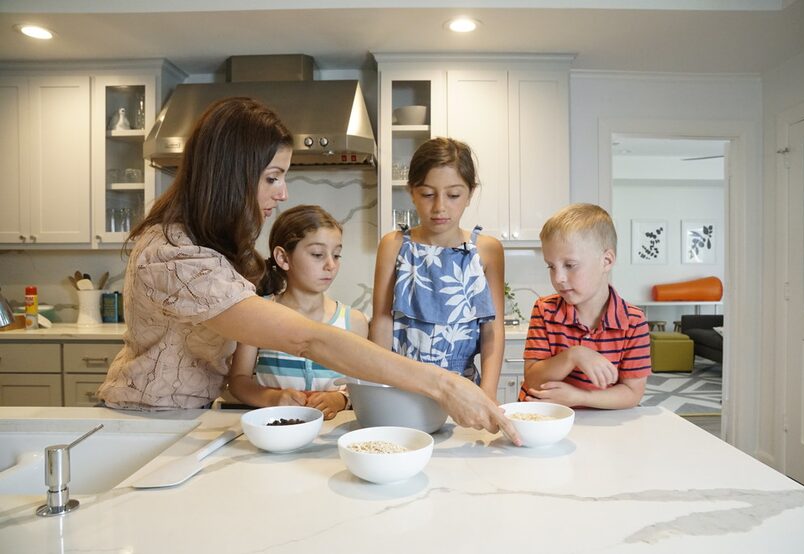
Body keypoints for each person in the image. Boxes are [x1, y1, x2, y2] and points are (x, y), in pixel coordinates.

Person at [95, 97, 518, 443]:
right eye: (273, 177)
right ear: (232, 175)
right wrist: (442, 384)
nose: (282, 193)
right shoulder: (173, 254)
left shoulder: (205, 244)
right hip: (146, 427)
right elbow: (306, 337)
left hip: (186, 420)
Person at [370, 137, 505, 402]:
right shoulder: (394, 245)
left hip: (464, 391)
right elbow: (383, 322)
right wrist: (380, 390)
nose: (440, 206)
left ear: (470, 194)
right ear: (411, 191)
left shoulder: (487, 250)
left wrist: (487, 394)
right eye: (428, 194)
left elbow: (493, 330)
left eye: (453, 195)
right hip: (403, 386)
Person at [228, 205, 367, 419]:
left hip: (332, 437)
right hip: (274, 431)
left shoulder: (353, 321)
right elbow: (238, 381)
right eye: (318, 254)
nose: (331, 265)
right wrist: (272, 398)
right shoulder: (257, 314)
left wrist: (341, 399)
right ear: (283, 258)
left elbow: (362, 383)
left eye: (337, 255)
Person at [520, 203, 651, 409]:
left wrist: (580, 397)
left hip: (601, 425)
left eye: (570, 265)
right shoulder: (545, 310)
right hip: (544, 419)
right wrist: (574, 355)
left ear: (606, 261)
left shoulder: (634, 321)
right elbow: (533, 380)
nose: (558, 278)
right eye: (551, 266)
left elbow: (632, 393)